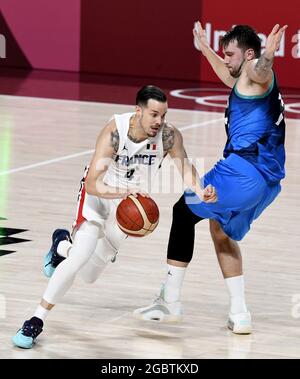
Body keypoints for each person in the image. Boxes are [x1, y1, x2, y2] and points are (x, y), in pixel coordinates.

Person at [12, 85, 217, 349]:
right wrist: (124, 192)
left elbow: (185, 167)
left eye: (163, 115)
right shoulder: (115, 132)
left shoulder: (168, 136)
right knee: (78, 260)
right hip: (100, 195)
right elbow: (94, 184)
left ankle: (60, 244)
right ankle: (35, 320)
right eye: (154, 114)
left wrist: (202, 190)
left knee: (89, 275)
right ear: (138, 110)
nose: (159, 121)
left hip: (128, 207)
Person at [134, 23, 287, 334]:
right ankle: (240, 313)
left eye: (229, 54)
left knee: (182, 211)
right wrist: (204, 47)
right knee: (220, 231)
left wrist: (269, 54)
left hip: (243, 170)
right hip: (266, 183)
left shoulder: (258, 75)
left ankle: (171, 301)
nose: (225, 59)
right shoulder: (243, 80)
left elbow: (260, 69)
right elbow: (228, 73)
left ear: (248, 54)